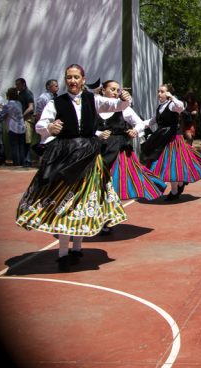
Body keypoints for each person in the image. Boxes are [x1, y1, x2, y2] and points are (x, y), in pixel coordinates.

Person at [16, 64, 132, 271]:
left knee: (82, 202)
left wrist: (124, 99)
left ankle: (77, 248)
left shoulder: (93, 99)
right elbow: (41, 125)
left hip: (89, 157)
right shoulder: (56, 102)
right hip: (66, 156)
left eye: (76, 77)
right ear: (65, 80)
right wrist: (49, 127)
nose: (72, 81)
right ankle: (63, 253)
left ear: (83, 79)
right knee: (65, 202)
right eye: (69, 77)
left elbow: (117, 106)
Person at [96, 80, 165, 205]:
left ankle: (110, 206)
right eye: (112, 89)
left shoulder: (124, 108)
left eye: (118, 90)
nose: (115, 92)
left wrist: (135, 130)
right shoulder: (94, 106)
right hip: (98, 149)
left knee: (117, 180)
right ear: (103, 90)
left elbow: (139, 123)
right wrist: (98, 133)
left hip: (119, 149)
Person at [142, 84, 201, 200]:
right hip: (162, 138)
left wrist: (172, 97)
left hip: (174, 138)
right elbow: (152, 121)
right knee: (166, 165)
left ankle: (175, 191)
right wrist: (137, 128)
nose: (159, 94)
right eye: (159, 91)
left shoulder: (172, 105)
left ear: (168, 93)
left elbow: (181, 107)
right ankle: (179, 185)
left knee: (173, 165)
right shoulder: (160, 107)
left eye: (162, 91)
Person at [0, 88, 25, 166]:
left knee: (15, 147)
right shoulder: (19, 103)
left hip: (13, 128)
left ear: (8, 95)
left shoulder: (8, 105)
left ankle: (17, 164)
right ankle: (22, 164)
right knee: (21, 147)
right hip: (21, 127)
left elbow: (0, 117)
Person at [15, 78, 35, 167]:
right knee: (22, 141)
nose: (16, 86)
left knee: (27, 140)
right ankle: (23, 160)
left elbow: (31, 107)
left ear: (23, 84)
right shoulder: (20, 94)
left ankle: (28, 160)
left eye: (18, 84)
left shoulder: (28, 93)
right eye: (16, 84)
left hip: (27, 119)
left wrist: (22, 116)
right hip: (21, 120)